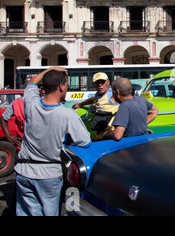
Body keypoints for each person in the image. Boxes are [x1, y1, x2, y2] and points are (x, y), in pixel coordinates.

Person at [15, 66, 91, 216]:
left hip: (23, 170)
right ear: (61, 86)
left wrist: (49, 70)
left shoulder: (31, 104)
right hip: (49, 173)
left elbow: (31, 84)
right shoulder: (68, 114)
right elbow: (85, 141)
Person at [72, 72, 119, 136]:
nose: (100, 85)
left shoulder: (113, 95)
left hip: (110, 135)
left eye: (102, 82)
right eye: (97, 82)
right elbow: (92, 99)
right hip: (99, 134)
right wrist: (80, 104)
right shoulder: (97, 95)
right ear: (93, 84)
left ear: (108, 82)